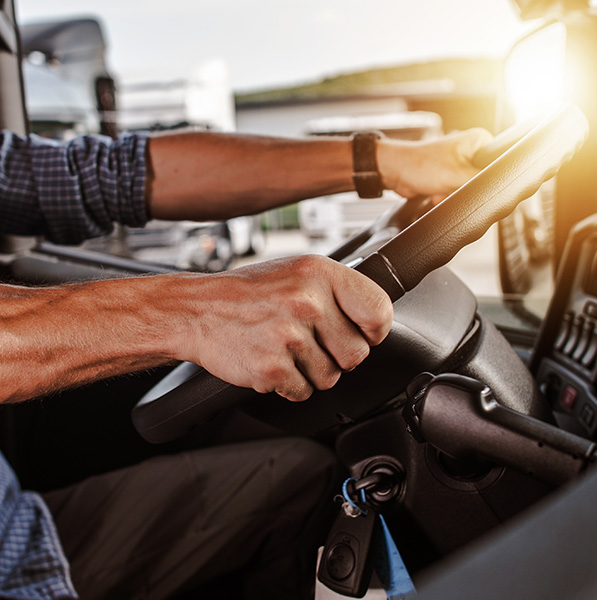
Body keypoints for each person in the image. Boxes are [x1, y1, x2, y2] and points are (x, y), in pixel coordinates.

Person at [0, 126, 491, 599]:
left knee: (297, 476)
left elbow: (101, 174)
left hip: (16, 519)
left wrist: (391, 162)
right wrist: (195, 311)